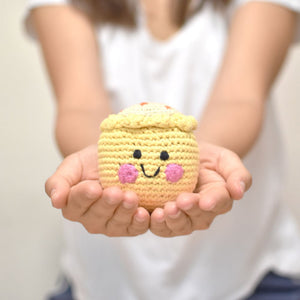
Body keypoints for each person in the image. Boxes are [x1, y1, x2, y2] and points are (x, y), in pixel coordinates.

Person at [24, 0, 300, 299]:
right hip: (103, 279)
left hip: (250, 270)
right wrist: (99, 162)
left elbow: (240, 98)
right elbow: (79, 106)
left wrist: (201, 162)